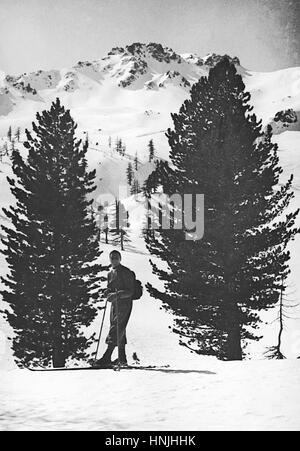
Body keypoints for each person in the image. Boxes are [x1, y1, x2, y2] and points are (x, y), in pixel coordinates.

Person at [95, 250, 135, 367]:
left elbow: (130, 291)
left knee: (116, 327)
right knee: (119, 327)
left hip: (124, 303)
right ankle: (122, 358)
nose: (114, 260)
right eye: (112, 258)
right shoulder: (110, 273)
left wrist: (116, 295)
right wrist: (107, 292)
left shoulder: (126, 272)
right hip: (115, 304)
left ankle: (107, 356)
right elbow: (110, 287)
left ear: (120, 258)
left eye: (116, 258)